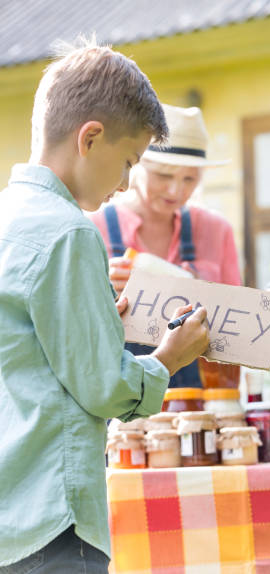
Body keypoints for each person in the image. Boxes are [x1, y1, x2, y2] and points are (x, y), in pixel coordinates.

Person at [0, 42, 209, 574]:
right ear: (89, 138)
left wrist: (98, 327)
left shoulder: (9, 215)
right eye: (129, 161)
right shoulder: (70, 231)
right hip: (53, 514)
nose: (125, 181)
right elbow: (104, 388)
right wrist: (167, 355)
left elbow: (30, 350)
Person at [89, 103, 241, 387]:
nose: (177, 191)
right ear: (135, 163)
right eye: (164, 176)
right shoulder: (92, 229)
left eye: (189, 179)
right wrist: (99, 288)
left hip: (200, 397)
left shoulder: (215, 230)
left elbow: (238, 331)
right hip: (119, 394)